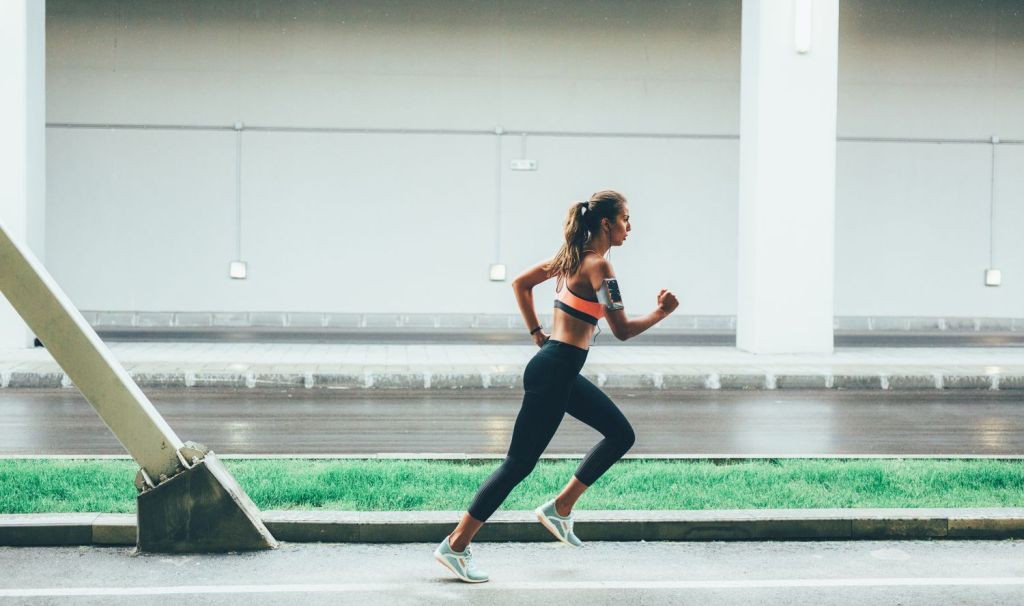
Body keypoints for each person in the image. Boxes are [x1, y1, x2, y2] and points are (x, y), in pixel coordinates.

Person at [433, 189, 679, 583]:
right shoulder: (600, 268)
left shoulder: (568, 259)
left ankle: (560, 508)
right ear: (605, 223)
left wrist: (536, 332)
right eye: (625, 219)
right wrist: (662, 313)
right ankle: (456, 545)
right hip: (555, 372)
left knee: (620, 434)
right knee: (518, 464)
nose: (629, 227)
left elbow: (520, 284)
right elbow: (623, 330)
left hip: (556, 370)